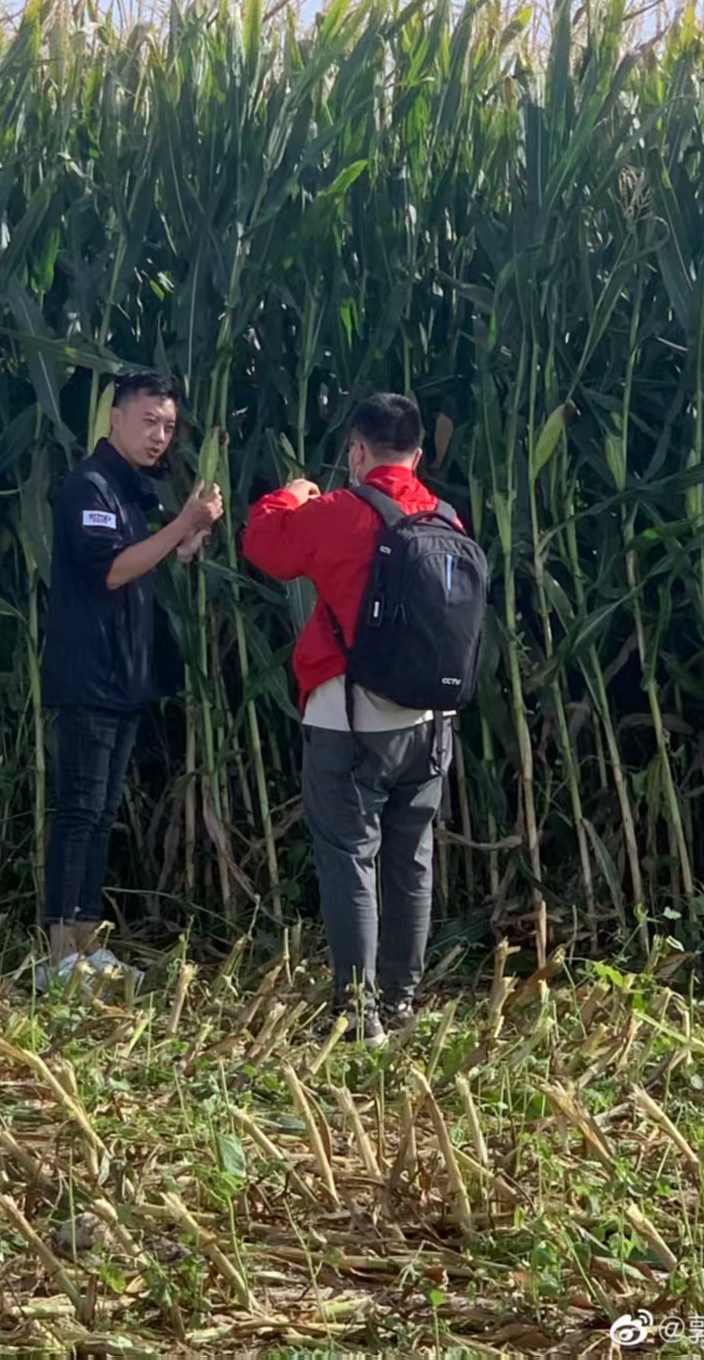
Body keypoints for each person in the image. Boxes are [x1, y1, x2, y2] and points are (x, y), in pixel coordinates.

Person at [242, 392, 454, 1045]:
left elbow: (264, 546)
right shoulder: (444, 517)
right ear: (417, 455)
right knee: (411, 860)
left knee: (349, 859)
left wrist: (288, 495)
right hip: (429, 721)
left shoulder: (338, 510)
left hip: (349, 717)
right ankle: (400, 1002)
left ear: (356, 451)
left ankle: (358, 1016)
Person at [41, 371, 223, 972]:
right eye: (148, 422)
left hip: (124, 677)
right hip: (88, 674)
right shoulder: (89, 486)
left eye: (168, 426)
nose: (159, 436)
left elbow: (142, 560)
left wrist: (184, 543)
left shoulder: (130, 490)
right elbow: (113, 570)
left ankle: (86, 944)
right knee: (79, 811)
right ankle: (59, 951)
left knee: (101, 816)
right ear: (114, 419)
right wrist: (182, 525)